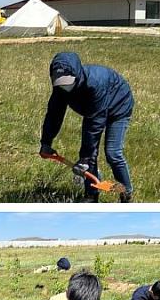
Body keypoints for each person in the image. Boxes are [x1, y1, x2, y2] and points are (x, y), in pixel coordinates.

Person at [39, 51, 134, 203]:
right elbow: (54, 115)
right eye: (61, 84)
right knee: (90, 158)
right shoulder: (60, 89)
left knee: (112, 153)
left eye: (68, 83)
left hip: (118, 106)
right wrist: (46, 142)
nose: (65, 88)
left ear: (77, 75)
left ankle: (126, 192)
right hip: (95, 111)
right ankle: (91, 194)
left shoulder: (95, 85)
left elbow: (93, 127)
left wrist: (84, 158)